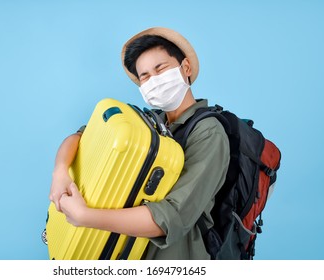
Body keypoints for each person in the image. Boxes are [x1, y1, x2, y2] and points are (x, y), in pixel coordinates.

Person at [49, 27, 230, 259]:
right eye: (144, 76)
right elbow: (80, 137)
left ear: (185, 68)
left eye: (160, 68)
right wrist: (60, 171)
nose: (153, 80)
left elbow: (171, 217)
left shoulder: (208, 133)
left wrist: (87, 217)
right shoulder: (147, 123)